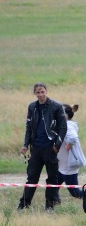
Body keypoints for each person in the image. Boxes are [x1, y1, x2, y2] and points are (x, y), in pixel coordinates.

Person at [18, 82, 67, 212]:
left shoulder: (56, 106)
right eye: (38, 92)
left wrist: (57, 144)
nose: (40, 95)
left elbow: (63, 127)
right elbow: (28, 127)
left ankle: (50, 205)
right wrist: (25, 145)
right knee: (32, 177)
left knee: (52, 178)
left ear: (46, 91)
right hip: (36, 148)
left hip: (50, 147)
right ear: (35, 93)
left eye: (42, 92)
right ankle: (24, 204)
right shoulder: (32, 107)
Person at [57, 104, 86, 199]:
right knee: (52, 186)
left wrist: (68, 145)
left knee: (75, 192)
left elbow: (73, 137)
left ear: (67, 115)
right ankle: (53, 204)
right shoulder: (63, 124)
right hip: (62, 165)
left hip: (68, 165)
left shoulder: (68, 125)